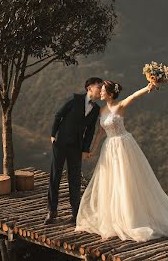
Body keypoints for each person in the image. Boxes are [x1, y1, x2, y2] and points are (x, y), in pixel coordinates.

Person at [75, 79, 168, 241]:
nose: (100, 92)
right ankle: (116, 217)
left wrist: (149, 86)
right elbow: (99, 134)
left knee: (126, 180)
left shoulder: (120, 105)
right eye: (100, 89)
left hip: (123, 145)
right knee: (112, 181)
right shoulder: (101, 111)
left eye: (103, 90)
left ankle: (131, 218)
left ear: (110, 93)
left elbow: (135, 95)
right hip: (109, 148)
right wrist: (92, 151)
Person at [45, 77, 103, 225]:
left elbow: (90, 131)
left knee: (75, 179)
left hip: (76, 147)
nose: (101, 89)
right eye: (99, 86)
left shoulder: (96, 109)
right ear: (89, 88)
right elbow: (59, 114)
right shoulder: (75, 99)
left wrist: (85, 149)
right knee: (55, 176)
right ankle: (52, 211)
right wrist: (53, 134)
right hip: (61, 142)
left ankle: (75, 213)